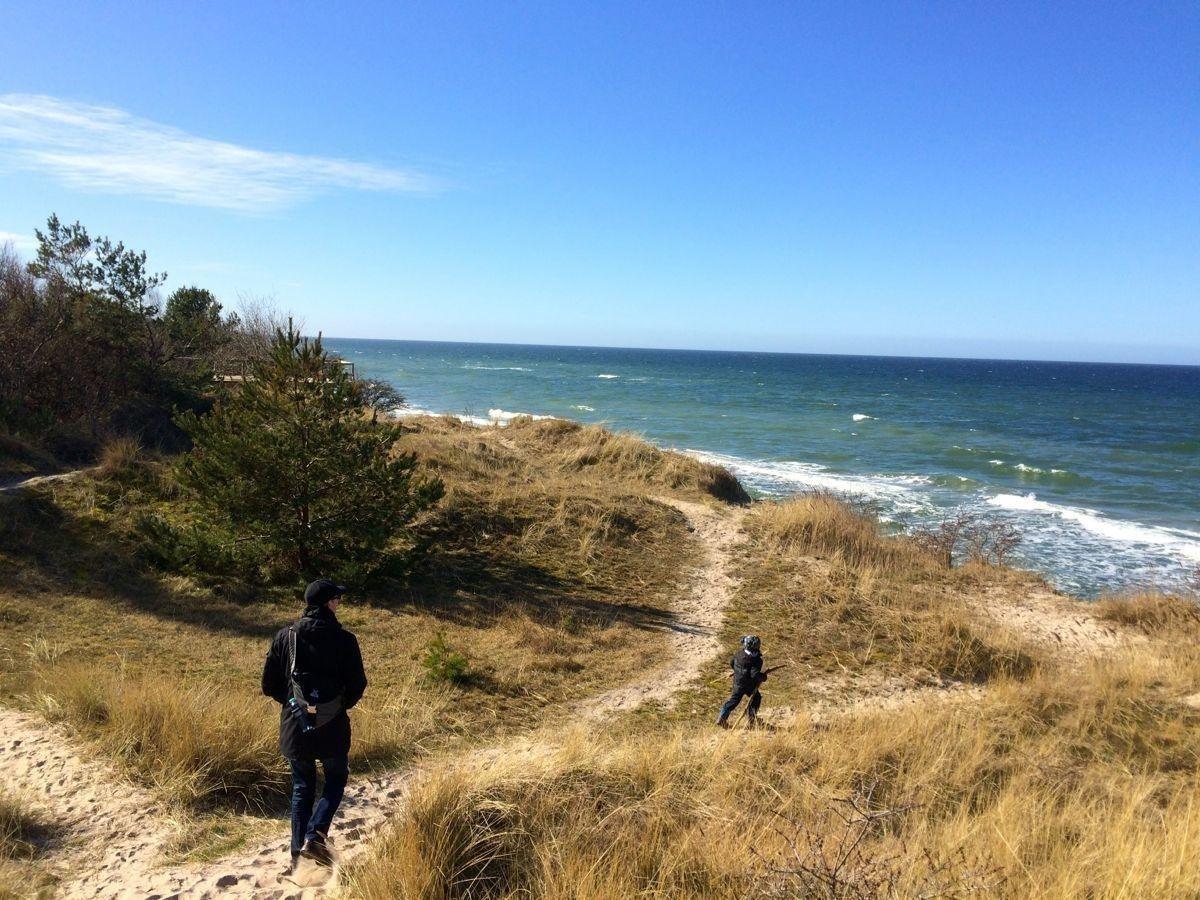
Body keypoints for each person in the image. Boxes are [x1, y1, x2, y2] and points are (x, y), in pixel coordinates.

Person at [262, 578, 367, 872]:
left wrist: (295, 705)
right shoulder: (345, 640)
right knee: (336, 779)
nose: (339, 603)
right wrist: (334, 707)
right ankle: (315, 835)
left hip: (295, 726)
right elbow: (358, 685)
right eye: (337, 599)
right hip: (333, 726)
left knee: (302, 787)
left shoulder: (285, 637)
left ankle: (298, 861)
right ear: (328, 603)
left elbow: (269, 685)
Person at [716, 635, 767, 728]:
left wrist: (738, 671)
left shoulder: (739, 654)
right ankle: (752, 719)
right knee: (756, 698)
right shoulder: (756, 660)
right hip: (748, 685)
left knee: (733, 701)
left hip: (737, 683)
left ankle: (722, 718)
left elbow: (732, 663)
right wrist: (763, 677)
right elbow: (754, 674)